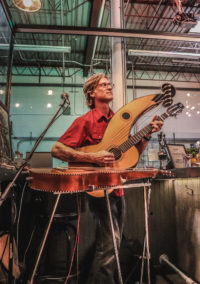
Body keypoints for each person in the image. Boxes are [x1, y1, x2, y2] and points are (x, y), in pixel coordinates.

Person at [51, 73, 163, 284]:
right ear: (91, 93)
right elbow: (57, 149)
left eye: (109, 83)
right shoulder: (85, 121)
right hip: (97, 189)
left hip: (118, 188)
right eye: (103, 85)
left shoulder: (119, 121)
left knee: (113, 243)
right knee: (110, 244)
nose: (109, 86)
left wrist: (148, 134)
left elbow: (130, 155)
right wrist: (91, 156)